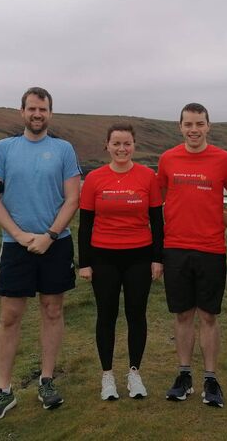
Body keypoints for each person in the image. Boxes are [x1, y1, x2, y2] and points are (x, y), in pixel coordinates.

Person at [0, 87, 81, 421]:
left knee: (52, 310)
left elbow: (72, 199)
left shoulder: (64, 149)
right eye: (32, 109)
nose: (37, 114)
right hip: (16, 246)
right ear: (22, 111)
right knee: (10, 315)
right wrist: (21, 235)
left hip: (56, 243)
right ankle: (3, 390)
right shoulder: (3, 148)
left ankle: (47, 380)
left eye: (43, 109)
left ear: (51, 113)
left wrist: (50, 235)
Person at [77, 123, 164, 401]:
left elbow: (157, 221)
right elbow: (85, 224)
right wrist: (84, 263)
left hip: (139, 255)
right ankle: (107, 376)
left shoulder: (147, 177)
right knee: (106, 316)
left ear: (134, 145)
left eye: (127, 143)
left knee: (136, 315)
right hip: (103, 257)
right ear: (107, 145)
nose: (122, 149)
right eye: (116, 143)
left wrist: (157, 259)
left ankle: (134, 374)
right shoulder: (94, 178)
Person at [157, 103, 227, 407]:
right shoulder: (167, 159)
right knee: (183, 314)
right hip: (175, 247)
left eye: (199, 124)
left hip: (212, 248)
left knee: (209, 315)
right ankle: (184, 374)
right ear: (180, 126)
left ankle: (211, 378)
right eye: (188, 124)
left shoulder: (223, 160)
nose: (194, 129)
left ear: (208, 125)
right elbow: (157, 200)